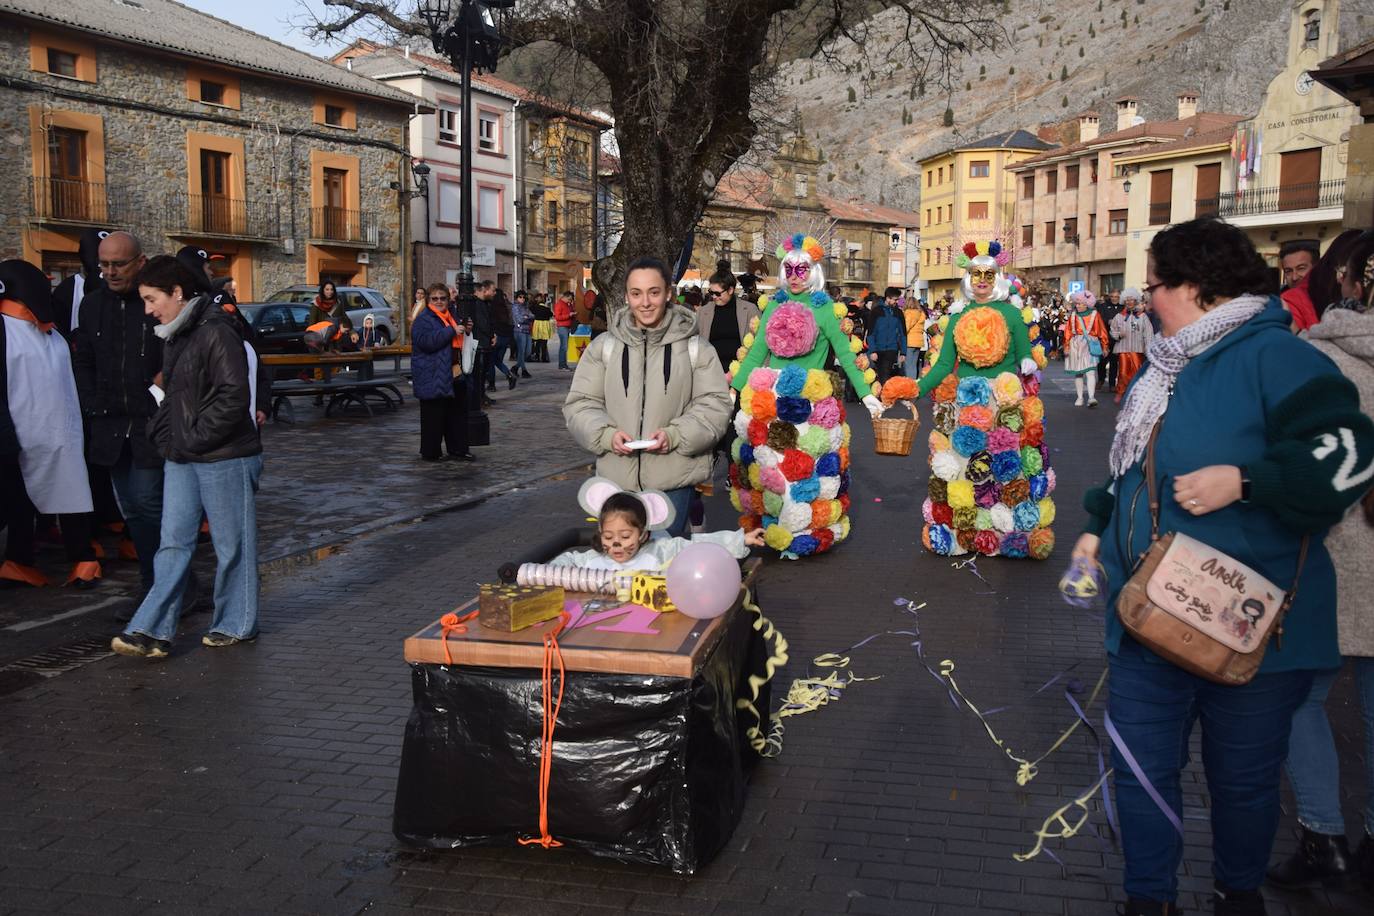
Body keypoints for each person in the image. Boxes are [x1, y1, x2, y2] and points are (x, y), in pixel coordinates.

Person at [1070, 218, 1374, 916]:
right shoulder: (1166, 367)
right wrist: (1095, 529)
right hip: (1149, 619)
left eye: (1153, 286)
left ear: (1196, 286)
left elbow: (1350, 454)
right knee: (1142, 771)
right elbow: (1133, 475)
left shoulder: (1281, 358)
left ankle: (1237, 895)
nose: (1146, 302)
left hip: (1253, 630)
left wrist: (1246, 480)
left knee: (1243, 781)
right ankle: (1149, 902)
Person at [1268, 230, 1374, 893]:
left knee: (1299, 696)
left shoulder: (1321, 359)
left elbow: (1294, 464)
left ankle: (1322, 836)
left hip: (1332, 554)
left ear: (1345, 283)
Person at [111, 256, 265, 658]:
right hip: (186, 454)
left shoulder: (217, 331)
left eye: (151, 298)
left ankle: (236, 623)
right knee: (172, 545)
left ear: (177, 293)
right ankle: (150, 630)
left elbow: (234, 396)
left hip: (226, 455)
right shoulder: (178, 334)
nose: (147, 309)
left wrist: (193, 437)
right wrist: (165, 435)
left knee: (233, 545)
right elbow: (175, 397)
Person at [890, 239, 1054, 560]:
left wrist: (1026, 362)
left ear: (997, 278)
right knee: (967, 468)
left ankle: (1006, 533)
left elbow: (1023, 353)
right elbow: (941, 366)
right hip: (966, 403)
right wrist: (916, 388)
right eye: (976, 275)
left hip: (1001, 402)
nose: (981, 281)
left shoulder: (1010, 314)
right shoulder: (959, 316)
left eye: (988, 275)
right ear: (968, 278)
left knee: (1006, 468)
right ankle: (966, 532)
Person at [728, 234, 882, 558]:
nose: (796, 276)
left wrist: (867, 394)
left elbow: (845, 353)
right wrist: (735, 387)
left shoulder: (825, 310)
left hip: (811, 406)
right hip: (772, 401)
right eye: (790, 269)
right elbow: (756, 353)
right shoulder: (774, 306)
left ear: (813, 271)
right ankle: (776, 530)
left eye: (802, 270)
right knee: (774, 471)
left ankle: (806, 533)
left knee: (807, 472)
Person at [564, 257, 732, 538]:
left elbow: (714, 405)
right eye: (636, 293)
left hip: (674, 479)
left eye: (654, 292)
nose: (645, 302)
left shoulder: (695, 349)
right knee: (621, 567)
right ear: (627, 296)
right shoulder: (604, 348)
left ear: (668, 293)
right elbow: (580, 403)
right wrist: (606, 435)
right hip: (616, 480)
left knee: (663, 566)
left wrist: (675, 435)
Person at [71, 231, 163, 597]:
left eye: (118, 264)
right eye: (104, 264)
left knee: (147, 503)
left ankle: (164, 586)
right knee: (133, 510)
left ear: (140, 262)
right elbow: (84, 359)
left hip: (151, 423)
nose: (109, 271)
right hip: (109, 424)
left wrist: (160, 389)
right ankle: (158, 584)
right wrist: (90, 401)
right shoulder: (91, 305)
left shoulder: (154, 301)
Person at [0, 259, 100, 588]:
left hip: (61, 432)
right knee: (19, 502)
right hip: (21, 434)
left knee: (71, 492)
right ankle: (18, 560)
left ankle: (81, 557)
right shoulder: (6, 330)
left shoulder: (52, 334)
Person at [550, 483, 762, 571]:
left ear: (642, 534)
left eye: (625, 536)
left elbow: (697, 544)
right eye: (607, 536)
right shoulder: (594, 559)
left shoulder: (661, 551)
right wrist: (544, 573)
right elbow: (567, 561)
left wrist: (739, 539)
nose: (616, 544)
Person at [410, 283, 473, 464]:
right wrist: (450, 331)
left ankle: (458, 449)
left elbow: (457, 340)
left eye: (442, 298)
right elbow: (426, 342)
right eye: (435, 298)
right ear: (428, 300)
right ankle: (431, 452)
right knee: (433, 416)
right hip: (432, 373)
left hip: (454, 371)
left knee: (457, 415)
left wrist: (466, 330)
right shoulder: (424, 319)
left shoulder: (452, 316)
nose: (439, 302)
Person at [698, 261, 760, 375]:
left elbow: (759, 345)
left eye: (717, 293)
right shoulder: (703, 312)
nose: (714, 297)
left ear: (730, 290)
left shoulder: (750, 310)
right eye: (711, 292)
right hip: (711, 373)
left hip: (741, 373)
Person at [1062, 289, 1110, 407]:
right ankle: (1080, 397)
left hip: (1089, 345)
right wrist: (1066, 346)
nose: (1077, 306)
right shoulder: (1073, 315)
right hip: (1075, 345)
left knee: (1090, 372)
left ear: (1087, 303)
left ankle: (1091, 397)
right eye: (1076, 303)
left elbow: (1102, 331)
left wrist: (1105, 346)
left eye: (1080, 303)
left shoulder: (1095, 315)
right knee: (1078, 373)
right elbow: (1067, 332)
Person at [1109, 287, 1154, 402]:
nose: (1129, 302)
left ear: (1136, 301)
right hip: (1123, 348)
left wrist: (1149, 348)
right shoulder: (1119, 316)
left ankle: (1136, 394)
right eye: (1127, 300)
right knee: (1123, 372)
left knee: (1136, 371)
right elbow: (1112, 330)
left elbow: (1148, 333)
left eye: (1131, 299)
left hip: (1138, 349)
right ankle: (1120, 392)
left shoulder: (1142, 317)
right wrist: (1118, 335)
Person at [1280, 239, 1320, 332]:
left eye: (1301, 268)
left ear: (1317, 268)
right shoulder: (1285, 302)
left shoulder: (1332, 295)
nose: (1294, 277)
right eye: (1288, 271)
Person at [867, 287, 905, 384]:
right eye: (895, 299)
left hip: (892, 349)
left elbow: (903, 333)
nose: (897, 302)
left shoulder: (898, 313)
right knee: (880, 375)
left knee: (885, 374)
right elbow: (871, 333)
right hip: (878, 349)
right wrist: (873, 351)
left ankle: (886, 397)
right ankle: (883, 395)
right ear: (888, 298)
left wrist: (903, 352)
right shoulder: (876, 311)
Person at [487, 287, 517, 391]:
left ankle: (492, 385)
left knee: (491, 361)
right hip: (506, 337)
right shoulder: (506, 307)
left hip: (496, 336)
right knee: (497, 360)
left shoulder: (491, 307)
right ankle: (509, 375)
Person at [1098, 289, 1123, 390]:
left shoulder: (1122, 307)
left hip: (1117, 338)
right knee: (1102, 361)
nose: (1114, 299)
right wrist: (1107, 321)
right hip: (1105, 337)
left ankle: (1112, 384)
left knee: (1114, 362)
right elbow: (1099, 318)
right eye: (1112, 296)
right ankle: (1101, 379)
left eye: (1116, 297)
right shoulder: (1103, 306)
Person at [511, 289, 534, 379]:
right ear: (517, 298)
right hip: (519, 331)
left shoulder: (525, 307)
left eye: (524, 297)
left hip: (527, 330)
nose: (522, 299)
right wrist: (527, 317)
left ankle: (516, 367)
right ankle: (523, 370)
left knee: (528, 352)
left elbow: (532, 316)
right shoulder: (515, 307)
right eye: (520, 297)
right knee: (522, 351)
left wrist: (526, 317)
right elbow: (519, 319)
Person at [903, 296, 926, 378]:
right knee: (913, 365)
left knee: (908, 365)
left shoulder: (909, 313)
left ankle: (910, 385)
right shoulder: (921, 313)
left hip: (909, 341)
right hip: (918, 342)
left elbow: (906, 327)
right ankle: (914, 383)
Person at [554, 289, 575, 370]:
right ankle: (562, 364)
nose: (570, 301)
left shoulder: (568, 305)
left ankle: (563, 364)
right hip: (562, 327)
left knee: (564, 346)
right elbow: (558, 317)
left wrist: (572, 312)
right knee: (564, 346)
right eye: (569, 299)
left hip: (567, 326)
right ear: (565, 297)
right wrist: (568, 315)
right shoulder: (559, 304)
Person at [530, 293, 554, 363]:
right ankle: (544, 357)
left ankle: (537, 356)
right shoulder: (547, 309)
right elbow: (551, 314)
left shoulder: (534, 308)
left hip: (537, 324)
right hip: (545, 325)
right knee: (544, 342)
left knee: (537, 341)